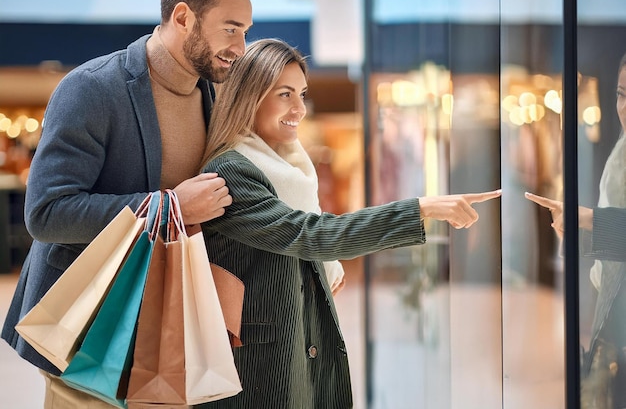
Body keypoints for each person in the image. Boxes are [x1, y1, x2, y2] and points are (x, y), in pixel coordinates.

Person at [1, 0, 256, 408]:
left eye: (245, 31)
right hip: (91, 332)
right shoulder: (92, 89)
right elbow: (46, 214)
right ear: (183, 17)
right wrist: (169, 206)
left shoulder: (215, 94)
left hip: (172, 329)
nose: (241, 45)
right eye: (231, 28)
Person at [197, 38, 502, 409]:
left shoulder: (289, 169)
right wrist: (421, 208)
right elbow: (311, 234)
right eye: (285, 95)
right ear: (250, 97)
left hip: (296, 348)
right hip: (260, 371)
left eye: (302, 94)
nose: (300, 108)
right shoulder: (232, 170)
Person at [526, 52, 626, 408]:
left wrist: (585, 220)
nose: (624, 107)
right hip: (614, 307)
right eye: (621, 94)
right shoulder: (620, 154)